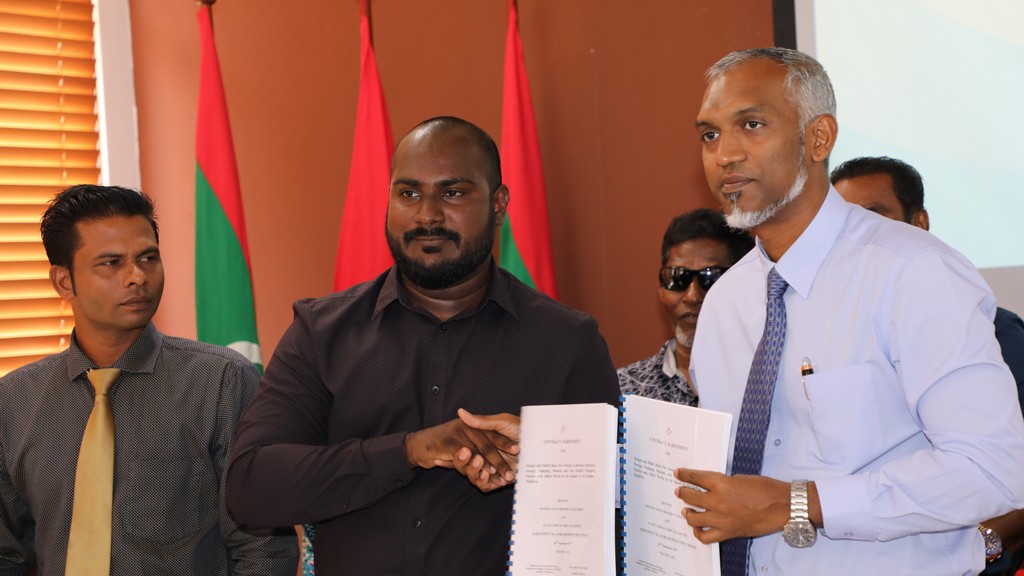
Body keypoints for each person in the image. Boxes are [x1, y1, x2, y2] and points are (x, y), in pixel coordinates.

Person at [673, 47, 1024, 575]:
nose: (725, 155)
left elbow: (992, 470)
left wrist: (798, 502)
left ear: (819, 138)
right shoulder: (725, 301)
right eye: (709, 134)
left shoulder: (912, 272)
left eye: (751, 125)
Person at [225, 116, 621, 575]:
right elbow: (251, 486)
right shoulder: (322, 333)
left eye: (452, 193)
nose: (427, 215)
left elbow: (610, 511)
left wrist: (546, 457)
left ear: (498, 205)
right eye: (409, 194)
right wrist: (411, 450)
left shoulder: (566, 343)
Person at [0, 185, 298, 574]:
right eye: (111, 263)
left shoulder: (222, 382)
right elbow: (8, 553)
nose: (137, 277)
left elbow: (264, 547)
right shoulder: (14, 401)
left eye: (148, 258)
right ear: (64, 281)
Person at [832, 155, 1024, 575]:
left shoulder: (997, 333)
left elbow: (1009, 465)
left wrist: (983, 547)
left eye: (873, 216)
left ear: (919, 223)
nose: (857, 236)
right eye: (843, 223)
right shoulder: (831, 337)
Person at [617, 208, 753, 404]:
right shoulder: (626, 390)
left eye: (710, 278)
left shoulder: (765, 385)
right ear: (660, 289)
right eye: (678, 277)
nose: (692, 296)